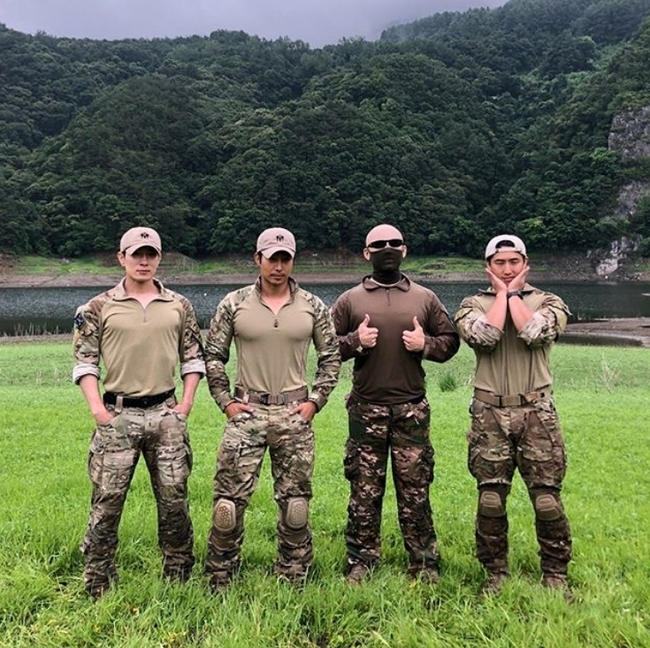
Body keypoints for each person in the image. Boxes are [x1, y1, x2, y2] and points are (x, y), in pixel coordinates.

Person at [204, 227, 340, 591]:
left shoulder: (313, 306)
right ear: (257, 259)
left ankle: (294, 575)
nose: (278, 266)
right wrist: (226, 403)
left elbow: (331, 358)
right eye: (272, 258)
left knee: (295, 507)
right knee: (227, 508)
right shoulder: (233, 304)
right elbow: (214, 356)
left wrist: (315, 402)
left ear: (293, 261)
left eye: (285, 258)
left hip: (295, 415)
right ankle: (220, 575)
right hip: (246, 413)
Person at [72, 226, 205, 600]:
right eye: (136, 254)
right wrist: (99, 411)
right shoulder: (97, 307)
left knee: (174, 499)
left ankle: (178, 575)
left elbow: (193, 358)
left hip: (167, 415)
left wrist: (186, 405)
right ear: (122, 258)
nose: (144, 260)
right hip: (118, 416)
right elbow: (85, 363)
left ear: (159, 258)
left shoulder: (179, 305)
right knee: (107, 502)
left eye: (151, 254)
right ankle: (98, 579)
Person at [330, 223, 460, 585]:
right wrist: (355, 341)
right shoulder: (349, 300)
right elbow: (326, 346)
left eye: (395, 243)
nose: (387, 248)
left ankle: (423, 563)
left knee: (415, 489)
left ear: (405, 250)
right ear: (366, 253)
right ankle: (361, 562)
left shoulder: (425, 297)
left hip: (411, 411)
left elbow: (450, 341)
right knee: (364, 489)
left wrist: (426, 346)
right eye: (379, 244)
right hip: (365, 409)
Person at [454, 234, 573, 599]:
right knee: (490, 498)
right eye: (500, 263)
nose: (507, 270)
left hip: (537, 411)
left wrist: (514, 296)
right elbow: (486, 336)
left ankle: (555, 574)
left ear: (526, 265)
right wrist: (503, 297)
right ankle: (495, 573)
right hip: (489, 411)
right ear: (488, 267)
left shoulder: (549, 302)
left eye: (514, 263)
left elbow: (533, 332)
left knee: (546, 499)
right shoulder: (471, 304)